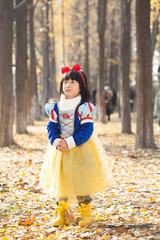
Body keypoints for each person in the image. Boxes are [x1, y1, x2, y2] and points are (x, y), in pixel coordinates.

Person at [40, 64, 115, 227]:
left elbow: (87, 129)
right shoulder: (55, 107)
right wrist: (55, 141)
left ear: (81, 87)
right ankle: (62, 213)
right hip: (60, 150)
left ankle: (86, 214)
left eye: (73, 82)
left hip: (81, 148)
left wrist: (70, 142)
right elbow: (51, 126)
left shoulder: (84, 107)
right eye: (65, 82)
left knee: (82, 181)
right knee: (61, 181)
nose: (68, 85)